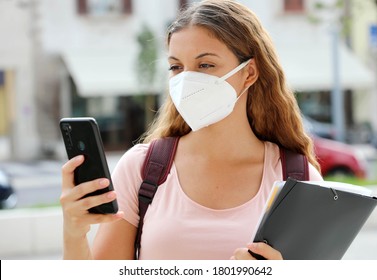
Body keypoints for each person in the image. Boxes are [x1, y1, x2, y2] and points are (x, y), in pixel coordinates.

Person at [60, 0, 323, 260]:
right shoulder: (140, 169)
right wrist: (74, 232)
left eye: (205, 65)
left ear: (250, 73)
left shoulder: (298, 180)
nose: (187, 80)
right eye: (176, 67)